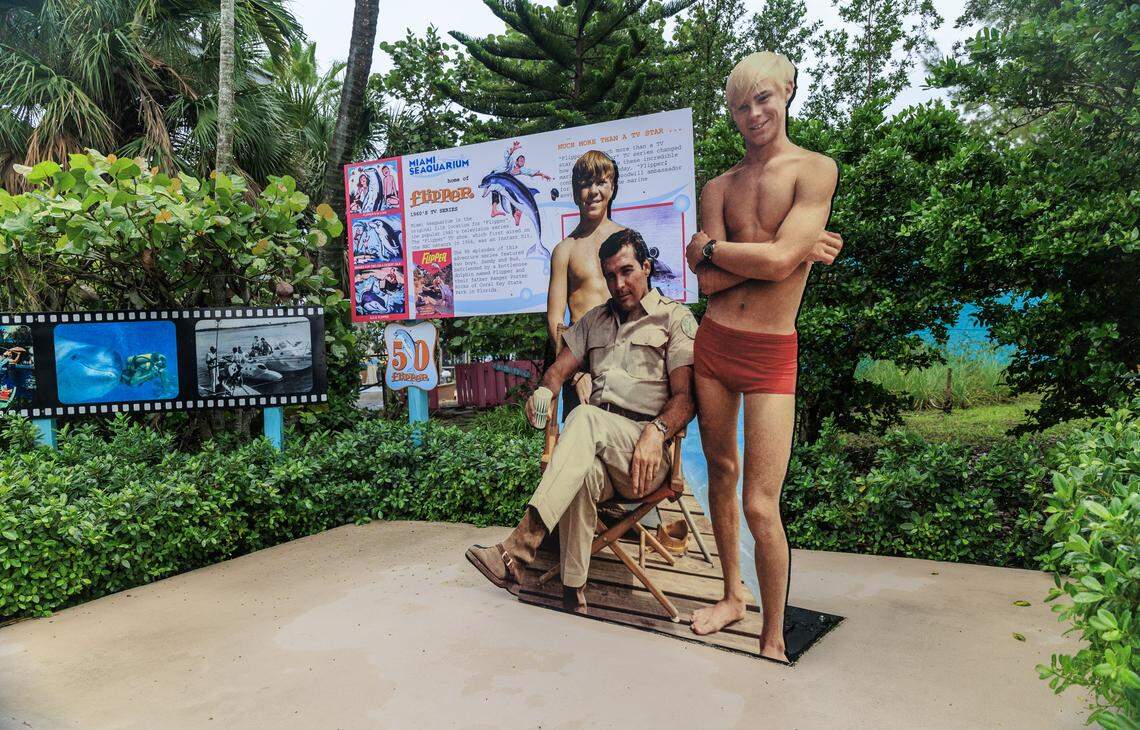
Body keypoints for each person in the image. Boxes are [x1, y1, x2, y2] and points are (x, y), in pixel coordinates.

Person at [685, 51, 844, 662]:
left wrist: (717, 249)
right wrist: (789, 251)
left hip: (772, 353)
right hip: (714, 345)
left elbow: (772, 264)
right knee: (720, 474)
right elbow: (708, 284)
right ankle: (732, 596)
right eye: (740, 105)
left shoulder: (815, 170)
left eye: (763, 99)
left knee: (760, 501)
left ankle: (773, 633)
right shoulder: (718, 187)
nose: (753, 113)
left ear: (788, 92)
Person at [466, 229, 697, 613]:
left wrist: (657, 432)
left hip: (647, 455)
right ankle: (574, 594)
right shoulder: (594, 321)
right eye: (610, 275)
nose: (618, 284)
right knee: (581, 472)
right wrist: (544, 391)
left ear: (646, 266)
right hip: (599, 450)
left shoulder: (674, 318)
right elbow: (557, 372)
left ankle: (517, 552)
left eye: (627, 271)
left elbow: (686, 398)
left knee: (585, 417)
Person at [545, 150, 626, 416]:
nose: (593, 191)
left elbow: (644, 305)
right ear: (574, 191)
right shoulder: (565, 250)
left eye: (601, 182)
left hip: (625, 360)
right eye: (585, 184)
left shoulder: (627, 240)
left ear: (612, 187)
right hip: (580, 364)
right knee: (579, 437)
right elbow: (555, 320)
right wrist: (576, 373)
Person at [490, 140, 553, 218]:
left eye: (523, 161)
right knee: (496, 188)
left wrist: (542, 174)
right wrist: (513, 149)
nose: (522, 160)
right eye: (520, 159)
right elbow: (507, 157)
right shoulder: (511, 164)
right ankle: (494, 210)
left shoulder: (521, 170)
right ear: (516, 161)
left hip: (504, 180)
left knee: (512, 192)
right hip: (495, 174)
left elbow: (531, 172)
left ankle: (515, 213)